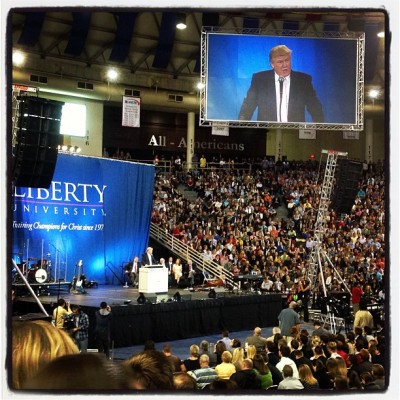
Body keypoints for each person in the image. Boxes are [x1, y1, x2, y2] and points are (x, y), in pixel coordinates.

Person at [238, 44, 324, 123]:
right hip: (267, 133)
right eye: (280, 62)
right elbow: (247, 107)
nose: (284, 65)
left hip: (294, 134)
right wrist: (241, 129)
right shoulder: (260, 80)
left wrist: (320, 131)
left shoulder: (303, 81)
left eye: (287, 60)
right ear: (272, 64)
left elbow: (315, 108)